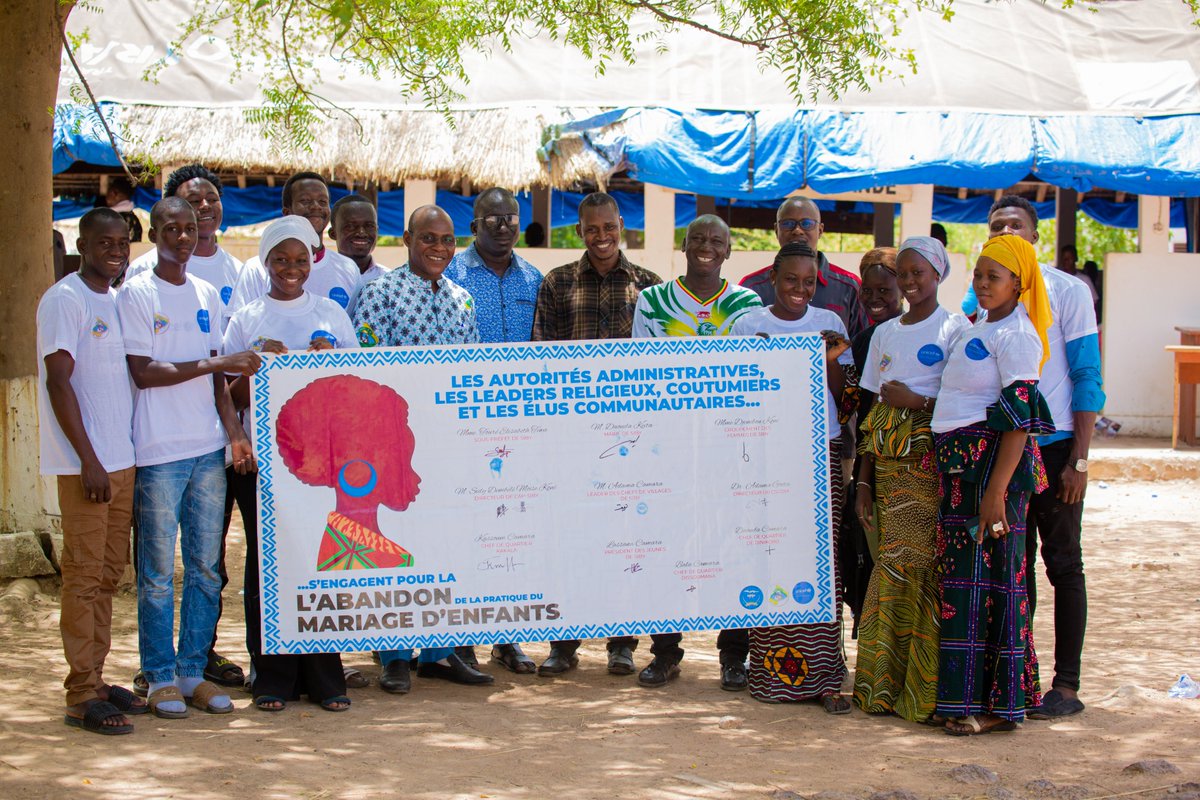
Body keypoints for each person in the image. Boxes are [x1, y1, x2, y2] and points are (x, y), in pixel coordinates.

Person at [115, 197, 262, 719]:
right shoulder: (136, 292)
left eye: (189, 227)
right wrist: (218, 360)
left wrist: (233, 435)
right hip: (158, 451)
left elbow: (218, 383)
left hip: (206, 451)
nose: (182, 236)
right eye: (171, 228)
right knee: (157, 572)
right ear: (153, 234)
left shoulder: (205, 293)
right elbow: (144, 372)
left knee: (206, 569)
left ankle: (191, 672)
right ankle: (158, 677)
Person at [353, 204, 493, 692]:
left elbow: (473, 375)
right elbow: (367, 377)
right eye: (428, 239)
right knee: (398, 546)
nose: (438, 248)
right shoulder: (380, 294)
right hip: (394, 447)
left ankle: (438, 651)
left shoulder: (463, 298)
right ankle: (393, 653)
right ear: (408, 240)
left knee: (446, 545)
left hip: (450, 447)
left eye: (447, 240)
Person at [223, 216, 359, 712]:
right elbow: (229, 396)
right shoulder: (247, 320)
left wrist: (332, 360)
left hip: (324, 465)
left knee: (322, 564)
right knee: (267, 568)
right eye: (281, 260)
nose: (291, 268)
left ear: (313, 260)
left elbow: (356, 388)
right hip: (263, 464)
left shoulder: (331, 315)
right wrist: (253, 363)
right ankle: (272, 678)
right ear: (266, 263)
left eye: (300, 259)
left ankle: (326, 677)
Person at [530, 192, 663, 677]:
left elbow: (660, 365)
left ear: (621, 225)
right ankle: (563, 644)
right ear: (579, 229)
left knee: (625, 538)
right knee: (570, 537)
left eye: (609, 228)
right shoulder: (558, 282)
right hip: (572, 439)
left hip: (630, 439)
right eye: (592, 229)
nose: (601, 237)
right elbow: (540, 357)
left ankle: (621, 643)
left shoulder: (649, 287)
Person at [630, 215, 762, 690]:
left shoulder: (748, 305)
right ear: (684, 245)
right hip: (670, 449)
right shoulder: (652, 302)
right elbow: (639, 376)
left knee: (734, 549)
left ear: (728, 251)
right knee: (669, 549)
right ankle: (665, 653)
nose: (707, 246)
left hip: (729, 449)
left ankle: (733, 655)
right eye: (699, 239)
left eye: (717, 241)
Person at [930, 233, 1054, 736]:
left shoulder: (1018, 335)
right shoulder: (977, 323)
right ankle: (960, 700)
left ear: (1018, 284)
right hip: (962, 470)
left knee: (997, 584)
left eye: (994, 276)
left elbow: (1020, 420)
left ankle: (997, 708)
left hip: (991, 473)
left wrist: (997, 491)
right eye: (978, 274)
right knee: (963, 587)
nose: (982, 283)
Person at [987, 197, 1105, 720]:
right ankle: (1022, 678)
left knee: (1064, 564)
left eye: (1016, 225)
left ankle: (1068, 684)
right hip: (1010, 446)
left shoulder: (1068, 291)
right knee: (1016, 567)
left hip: (1054, 446)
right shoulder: (986, 294)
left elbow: (1086, 375)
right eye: (997, 227)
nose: (1008, 231)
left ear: (1035, 234)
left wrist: (1079, 458)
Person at [731, 241, 855, 712]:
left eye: (808, 282)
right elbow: (739, 394)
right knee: (771, 555)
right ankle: (770, 674)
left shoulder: (830, 326)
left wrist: (826, 361)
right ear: (773, 280)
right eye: (790, 280)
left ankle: (825, 678)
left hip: (820, 450)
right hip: (765, 450)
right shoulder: (749, 326)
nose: (799, 290)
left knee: (822, 563)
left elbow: (843, 400)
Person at [851, 237, 970, 723]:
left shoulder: (956, 330)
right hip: (886, 467)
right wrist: (862, 482)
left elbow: (968, 407)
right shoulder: (884, 333)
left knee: (919, 572)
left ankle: (921, 692)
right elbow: (870, 414)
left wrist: (916, 403)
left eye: (919, 273)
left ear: (938, 274)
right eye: (904, 274)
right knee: (890, 571)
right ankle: (882, 689)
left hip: (929, 466)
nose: (910, 281)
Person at [38, 208, 146, 735]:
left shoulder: (116, 300)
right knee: (82, 577)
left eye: (122, 243)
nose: (116, 251)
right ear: (82, 244)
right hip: (89, 466)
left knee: (106, 575)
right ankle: (81, 694)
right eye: (104, 242)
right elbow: (59, 382)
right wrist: (88, 460)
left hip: (120, 462)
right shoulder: (66, 299)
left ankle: (98, 679)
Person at [444, 187, 543, 674]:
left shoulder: (534, 277)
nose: (503, 225)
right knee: (466, 530)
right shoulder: (452, 274)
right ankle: (461, 640)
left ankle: (508, 637)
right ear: (474, 225)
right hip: (464, 425)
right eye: (492, 218)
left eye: (511, 217)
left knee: (512, 531)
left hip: (519, 428)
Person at [841, 248, 901, 630]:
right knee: (866, 558)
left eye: (885, 290)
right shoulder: (862, 341)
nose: (875, 299)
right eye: (869, 290)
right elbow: (857, 411)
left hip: (913, 467)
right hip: (871, 467)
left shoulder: (937, 333)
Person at [739, 197, 869, 339]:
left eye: (807, 223)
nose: (797, 230)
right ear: (776, 230)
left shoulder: (849, 286)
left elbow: (861, 346)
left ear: (820, 230)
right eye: (788, 224)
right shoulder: (751, 287)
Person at [230, 172, 360, 313]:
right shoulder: (256, 269)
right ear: (287, 212)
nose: (316, 206)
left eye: (323, 202)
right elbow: (239, 326)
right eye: (305, 201)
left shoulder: (348, 269)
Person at [330, 194, 389, 317]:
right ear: (333, 233)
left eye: (369, 226)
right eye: (351, 226)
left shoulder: (390, 281)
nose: (361, 233)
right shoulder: (321, 275)